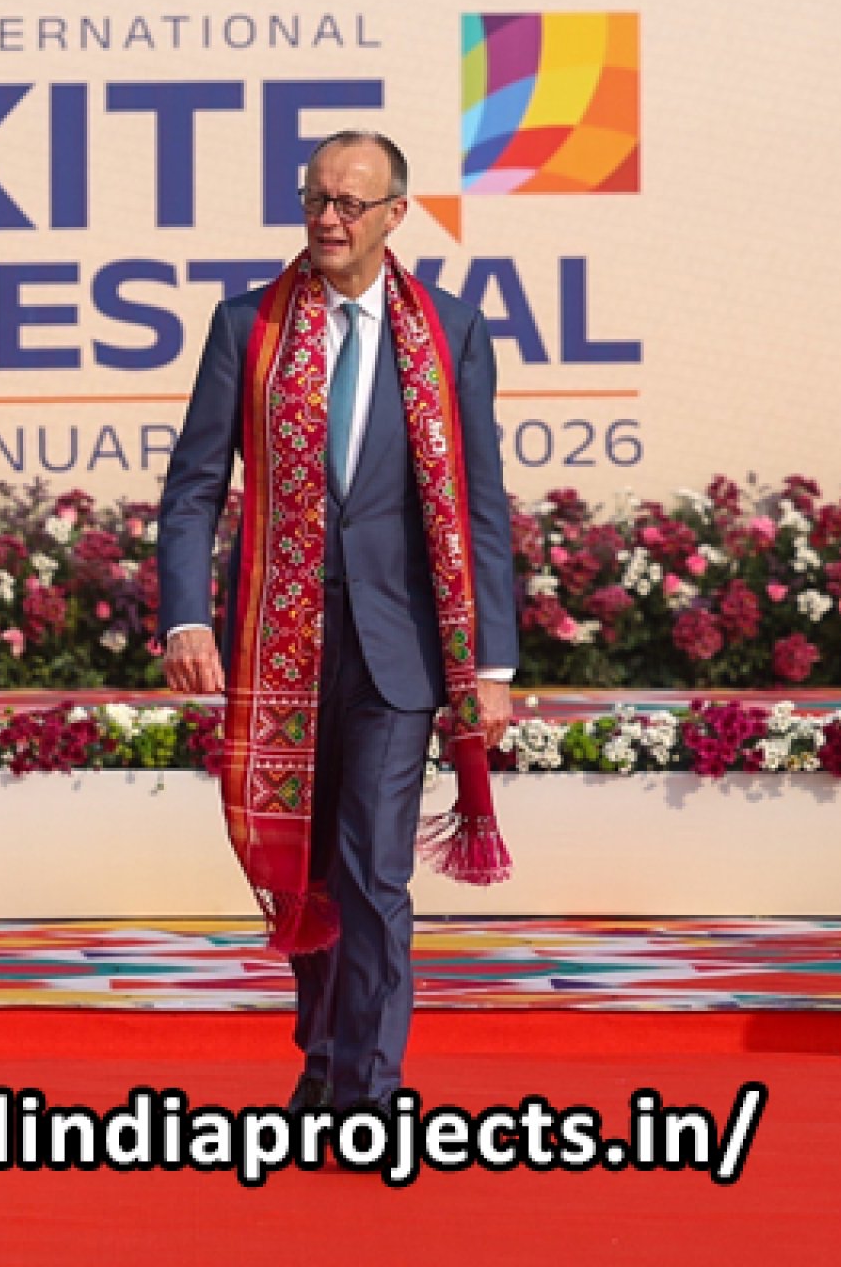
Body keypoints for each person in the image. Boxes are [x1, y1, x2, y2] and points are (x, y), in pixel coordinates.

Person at [157, 131, 517, 1112]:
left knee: (371, 871)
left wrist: (492, 661)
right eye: (316, 198)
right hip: (279, 645)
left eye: (351, 203)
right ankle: (322, 1055)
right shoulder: (248, 326)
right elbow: (193, 487)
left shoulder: (450, 331)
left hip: (399, 652)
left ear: (395, 214)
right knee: (303, 869)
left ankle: (368, 1093)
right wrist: (186, 616)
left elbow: (481, 501)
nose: (328, 218)